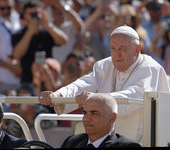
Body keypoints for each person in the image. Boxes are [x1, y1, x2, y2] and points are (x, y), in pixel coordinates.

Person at [39, 25, 170, 143]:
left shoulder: (150, 68)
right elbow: (83, 84)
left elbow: (135, 96)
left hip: (140, 140)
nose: (117, 54)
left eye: (122, 48)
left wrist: (97, 99)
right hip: (107, 140)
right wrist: (58, 94)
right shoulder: (105, 65)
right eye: (113, 48)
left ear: (137, 49)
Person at [12, 1, 68, 84]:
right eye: (32, 14)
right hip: (28, 81)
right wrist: (30, 32)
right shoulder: (18, 35)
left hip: (48, 81)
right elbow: (16, 55)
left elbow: (64, 41)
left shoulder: (46, 32)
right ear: (25, 16)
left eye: (37, 13)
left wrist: (48, 26)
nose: (35, 17)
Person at [61, 93, 141, 148]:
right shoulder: (71, 142)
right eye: (85, 113)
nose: (86, 119)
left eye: (94, 113)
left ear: (112, 117)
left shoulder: (127, 146)